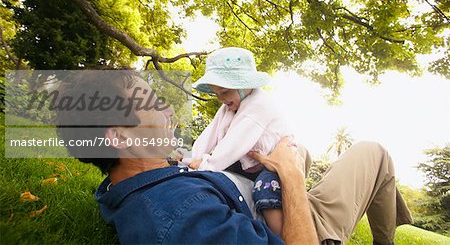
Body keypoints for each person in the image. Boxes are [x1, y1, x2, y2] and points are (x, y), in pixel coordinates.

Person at [55, 70, 412, 245]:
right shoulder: (175, 217)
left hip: (268, 198)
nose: (165, 108)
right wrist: (290, 176)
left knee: (302, 150)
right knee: (374, 152)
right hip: (302, 226)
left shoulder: (134, 178)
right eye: (149, 101)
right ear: (118, 136)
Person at [186, 47, 311, 234]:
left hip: (276, 160)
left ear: (244, 85)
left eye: (225, 92)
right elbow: (210, 133)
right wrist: (191, 160)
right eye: (217, 94)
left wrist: (206, 164)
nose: (221, 99)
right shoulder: (229, 107)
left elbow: (236, 143)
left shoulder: (259, 104)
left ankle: (279, 236)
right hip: (251, 163)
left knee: (266, 190)